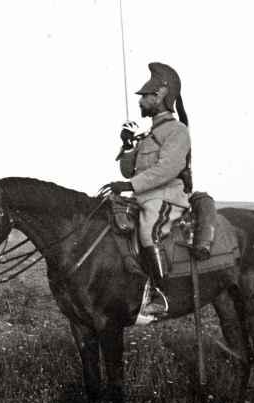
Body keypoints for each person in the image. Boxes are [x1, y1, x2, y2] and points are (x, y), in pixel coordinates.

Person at [107, 62, 201, 317]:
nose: (141, 101)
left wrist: (130, 185)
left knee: (149, 230)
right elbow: (128, 170)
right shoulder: (149, 135)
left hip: (167, 197)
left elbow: (167, 169)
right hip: (144, 197)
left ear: (159, 95)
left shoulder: (177, 131)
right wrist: (127, 146)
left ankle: (161, 295)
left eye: (145, 96)